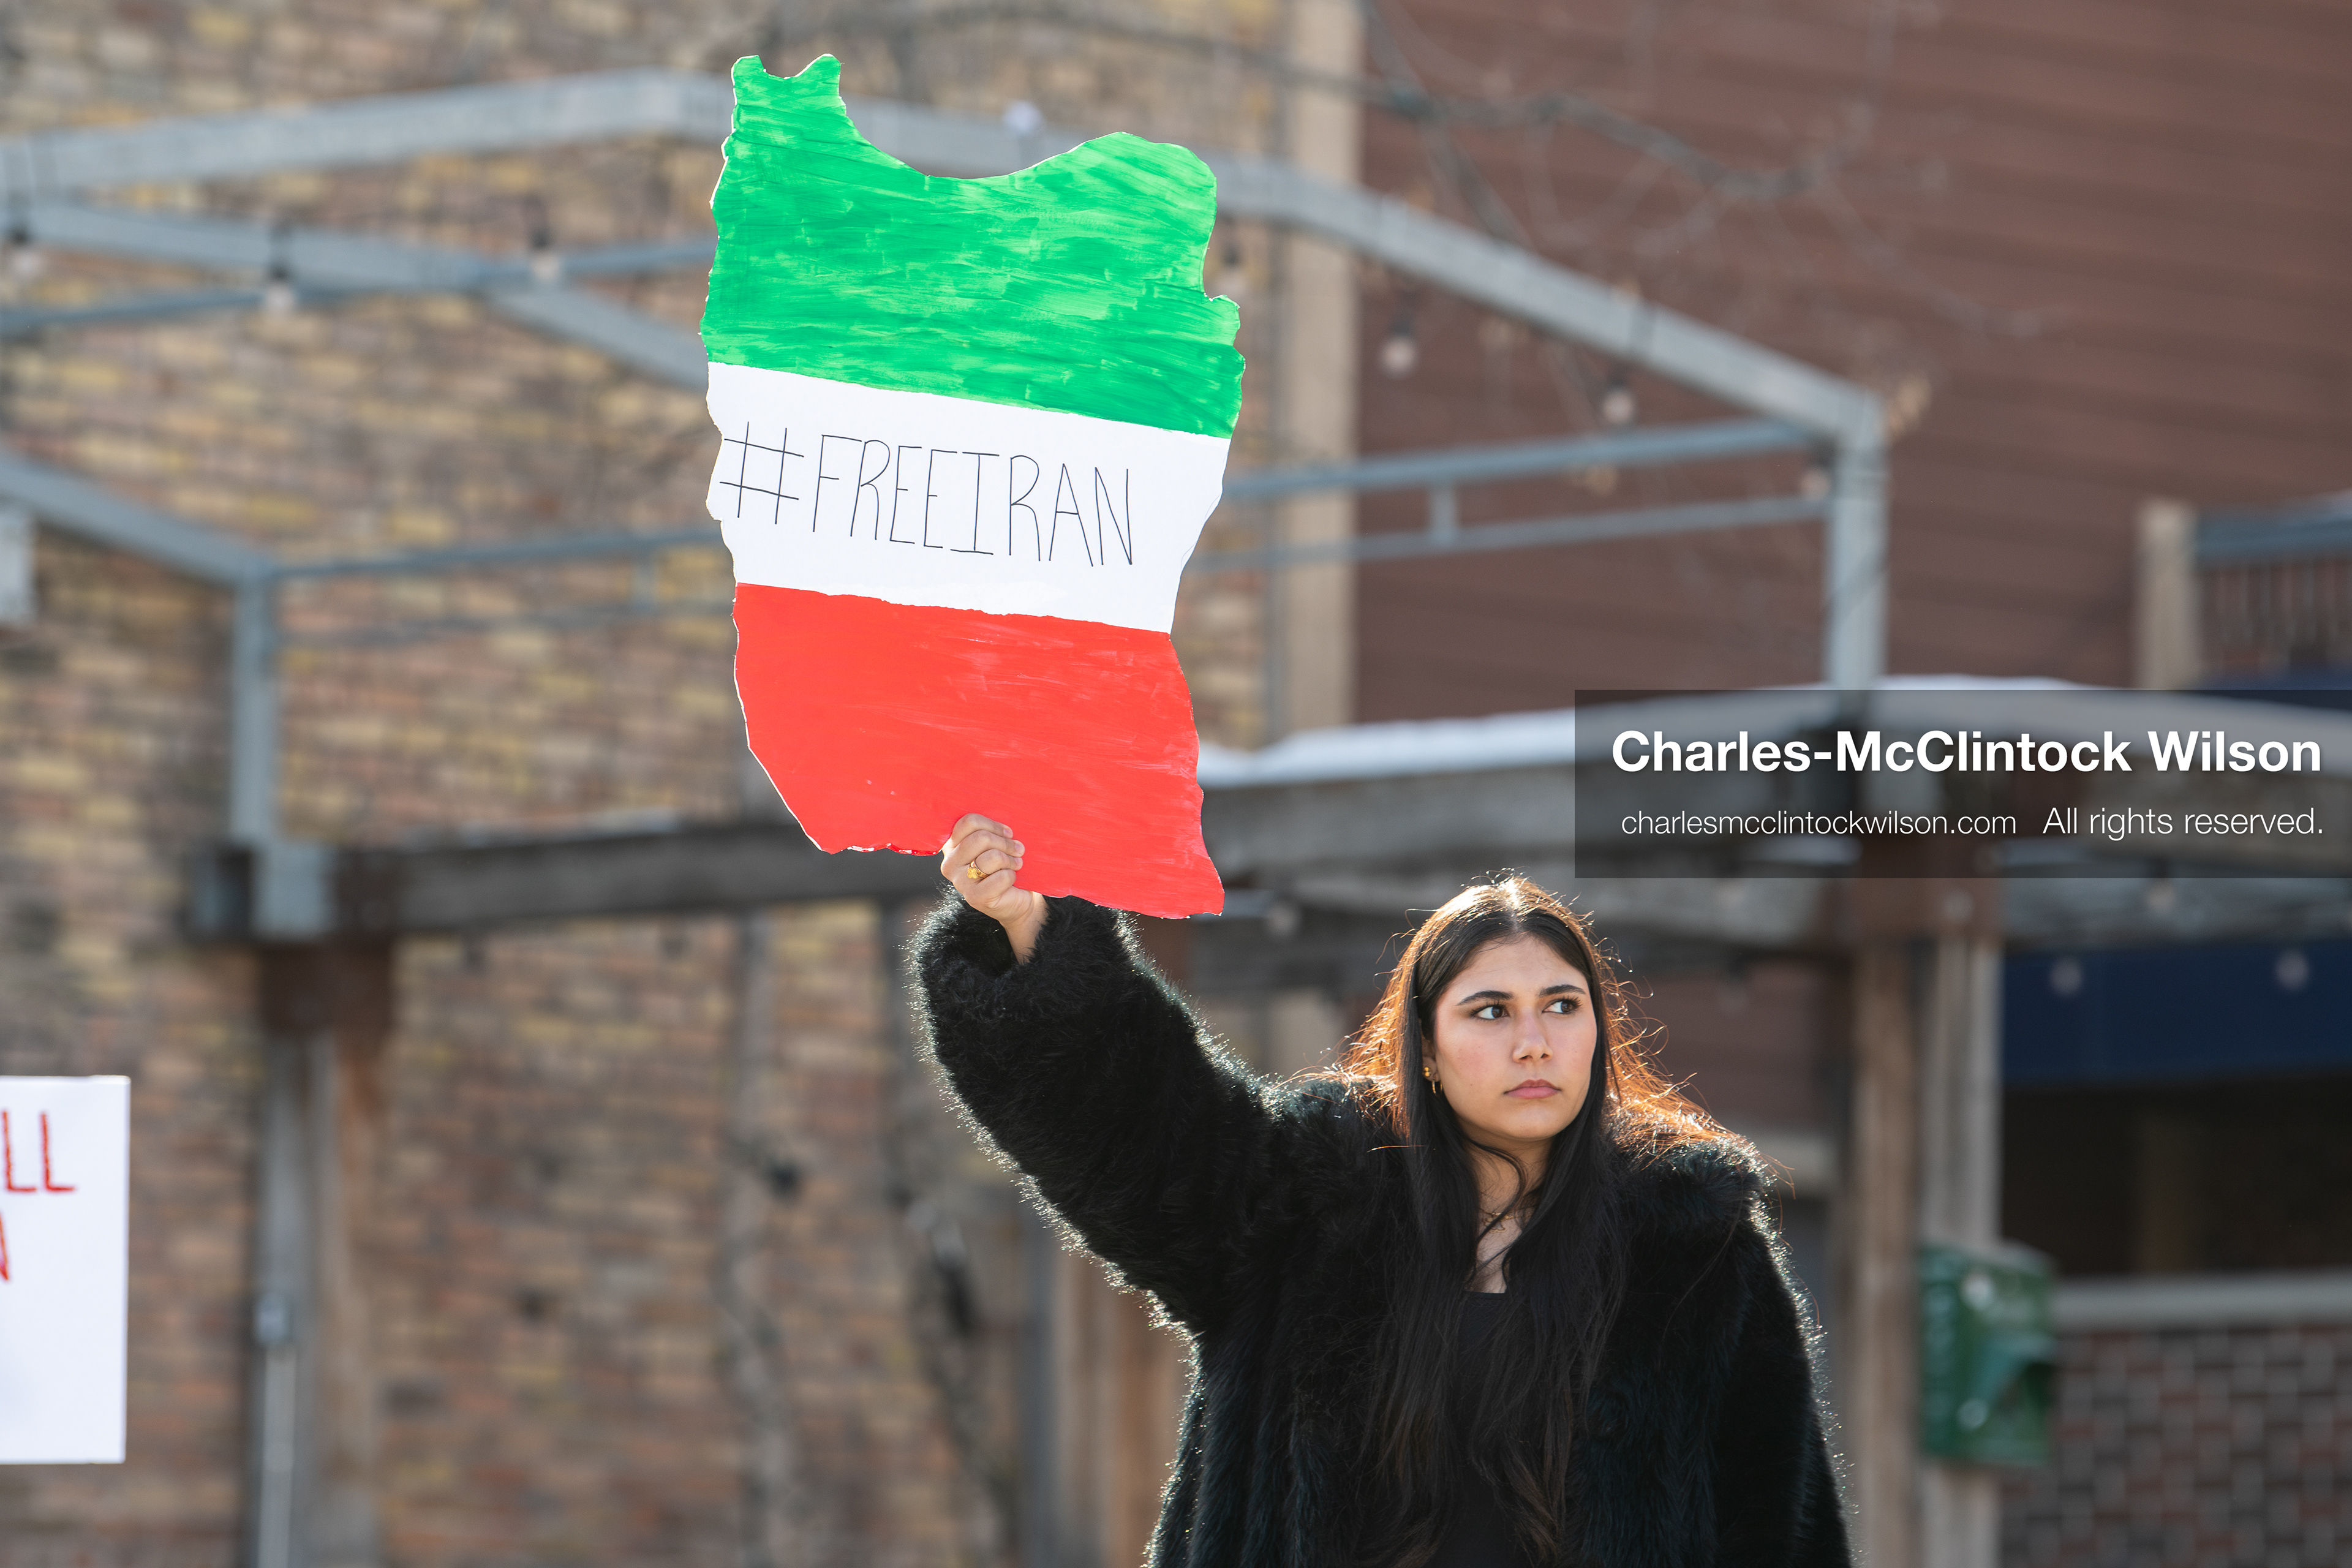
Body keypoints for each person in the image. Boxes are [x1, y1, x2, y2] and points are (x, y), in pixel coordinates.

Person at [916, 814, 1850, 1568]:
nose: (1535, 1042)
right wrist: (1031, 931)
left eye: (1563, 1007)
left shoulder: (1692, 1252)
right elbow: (1137, 1124)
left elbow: (1782, 1527)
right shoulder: (1305, 1210)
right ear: (1429, 1051)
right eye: (1490, 1011)